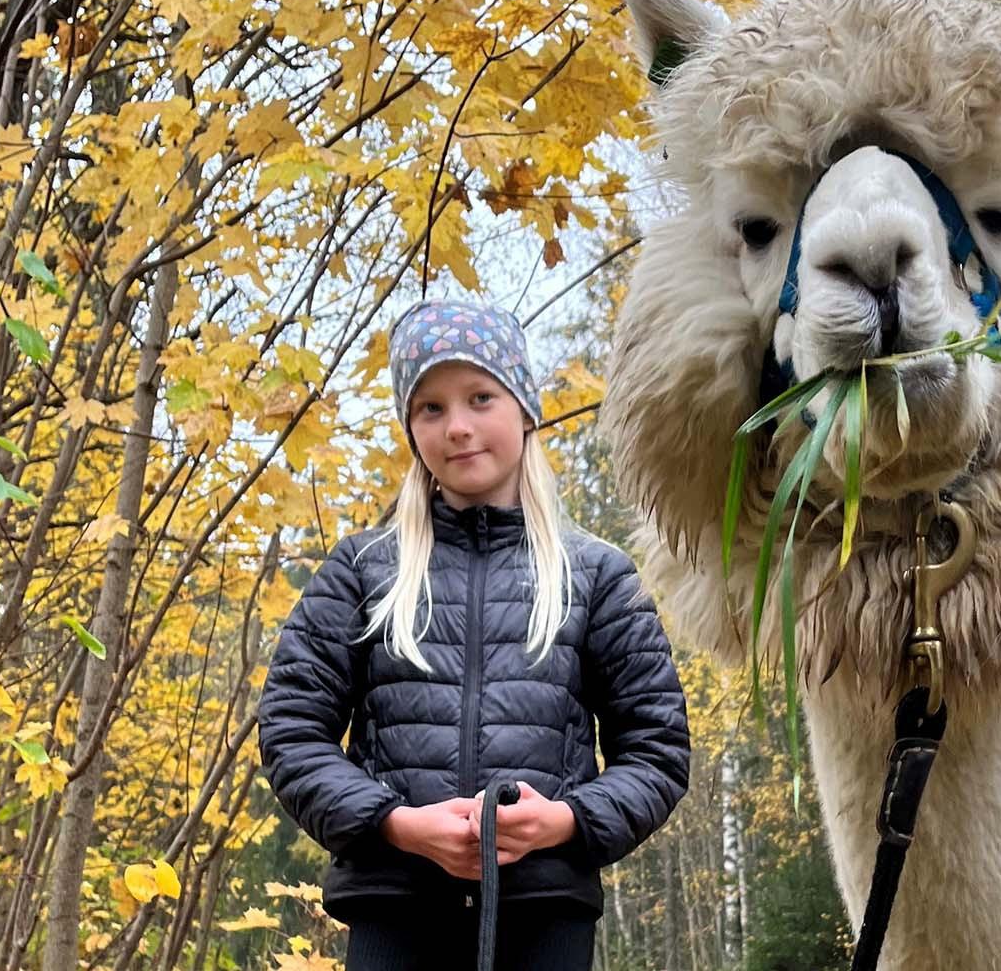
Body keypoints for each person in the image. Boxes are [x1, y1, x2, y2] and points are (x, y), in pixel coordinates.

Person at [257, 298, 690, 970]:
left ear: (523, 407)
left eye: (480, 397)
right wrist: (394, 825)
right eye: (430, 408)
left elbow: (658, 752)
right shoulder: (362, 570)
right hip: (392, 909)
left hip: (545, 913)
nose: (457, 427)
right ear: (411, 427)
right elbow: (291, 732)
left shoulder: (597, 576)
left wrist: (566, 822)